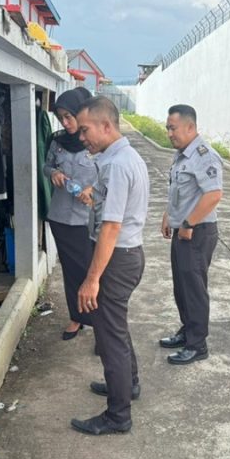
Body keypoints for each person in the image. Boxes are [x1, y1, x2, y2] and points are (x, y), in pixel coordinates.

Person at [70, 96, 149, 435]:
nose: (81, 137)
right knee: (116, 328)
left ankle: (118, 415)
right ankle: (127, 385)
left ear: (106, 126)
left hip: (116, 259)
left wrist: (92, 279)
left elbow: (111, 227)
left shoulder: (117, 165)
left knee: (109, 336)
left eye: (85, 129)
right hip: (127, 255)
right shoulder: (124, 157)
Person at [158, 105, 223, 364]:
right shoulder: (181, 155)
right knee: (181, 287)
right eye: (167, 128)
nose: (169, 133)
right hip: (183, 228)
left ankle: (197, 345)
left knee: (194, 289)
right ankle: (187, 331)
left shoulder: (204, 156)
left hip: (197, 232)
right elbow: (177, 190)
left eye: (173, 128)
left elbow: (214, 195)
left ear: (190, 127)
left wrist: (187, 223)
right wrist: (168, 216)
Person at [43, 87, 96, 341]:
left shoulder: (94, 141)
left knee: (94, 273)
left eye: (69, 116)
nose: (65, 122)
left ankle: (101, 326)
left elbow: (108, 175)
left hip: (88, 220)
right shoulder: (57, 141)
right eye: (61, 117)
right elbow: (46, 165)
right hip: (61, 216)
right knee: (71, 271)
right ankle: (76, 318)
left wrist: (92, 189)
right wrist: (52, 173)